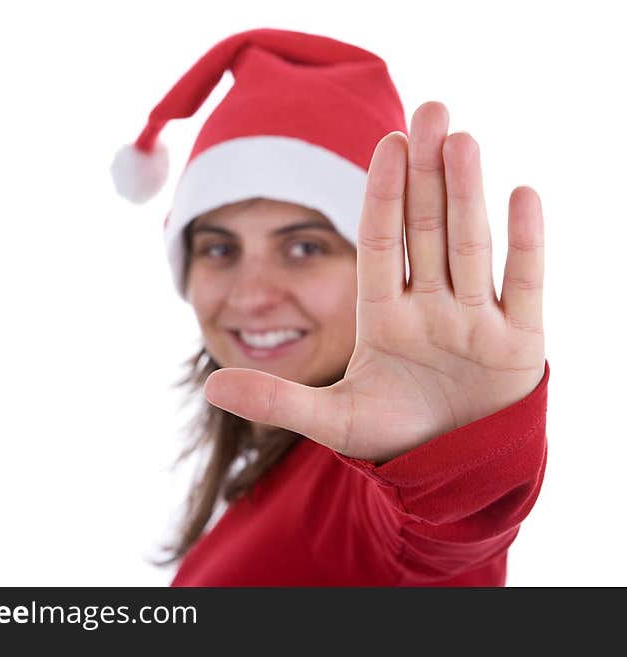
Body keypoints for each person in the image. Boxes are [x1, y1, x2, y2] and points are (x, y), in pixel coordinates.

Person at [111, 28, 549, 586]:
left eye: (304, 247)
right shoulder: (264, 475)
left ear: (382, 264)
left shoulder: (376, 492)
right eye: (219, 248)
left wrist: (449, 458)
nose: (251, 295)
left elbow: (438, 545)